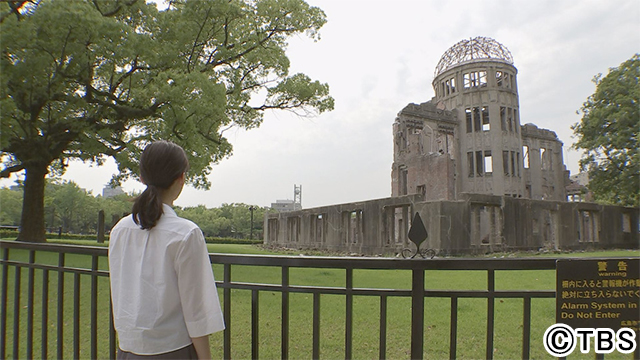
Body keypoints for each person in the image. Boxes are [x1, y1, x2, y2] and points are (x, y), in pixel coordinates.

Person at [109, 141, 224, 359]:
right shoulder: (186, 233)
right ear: (181, 178)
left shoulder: (120, 230)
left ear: (142, 178)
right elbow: (196, 309)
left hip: (127, 349)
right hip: (173, 349)